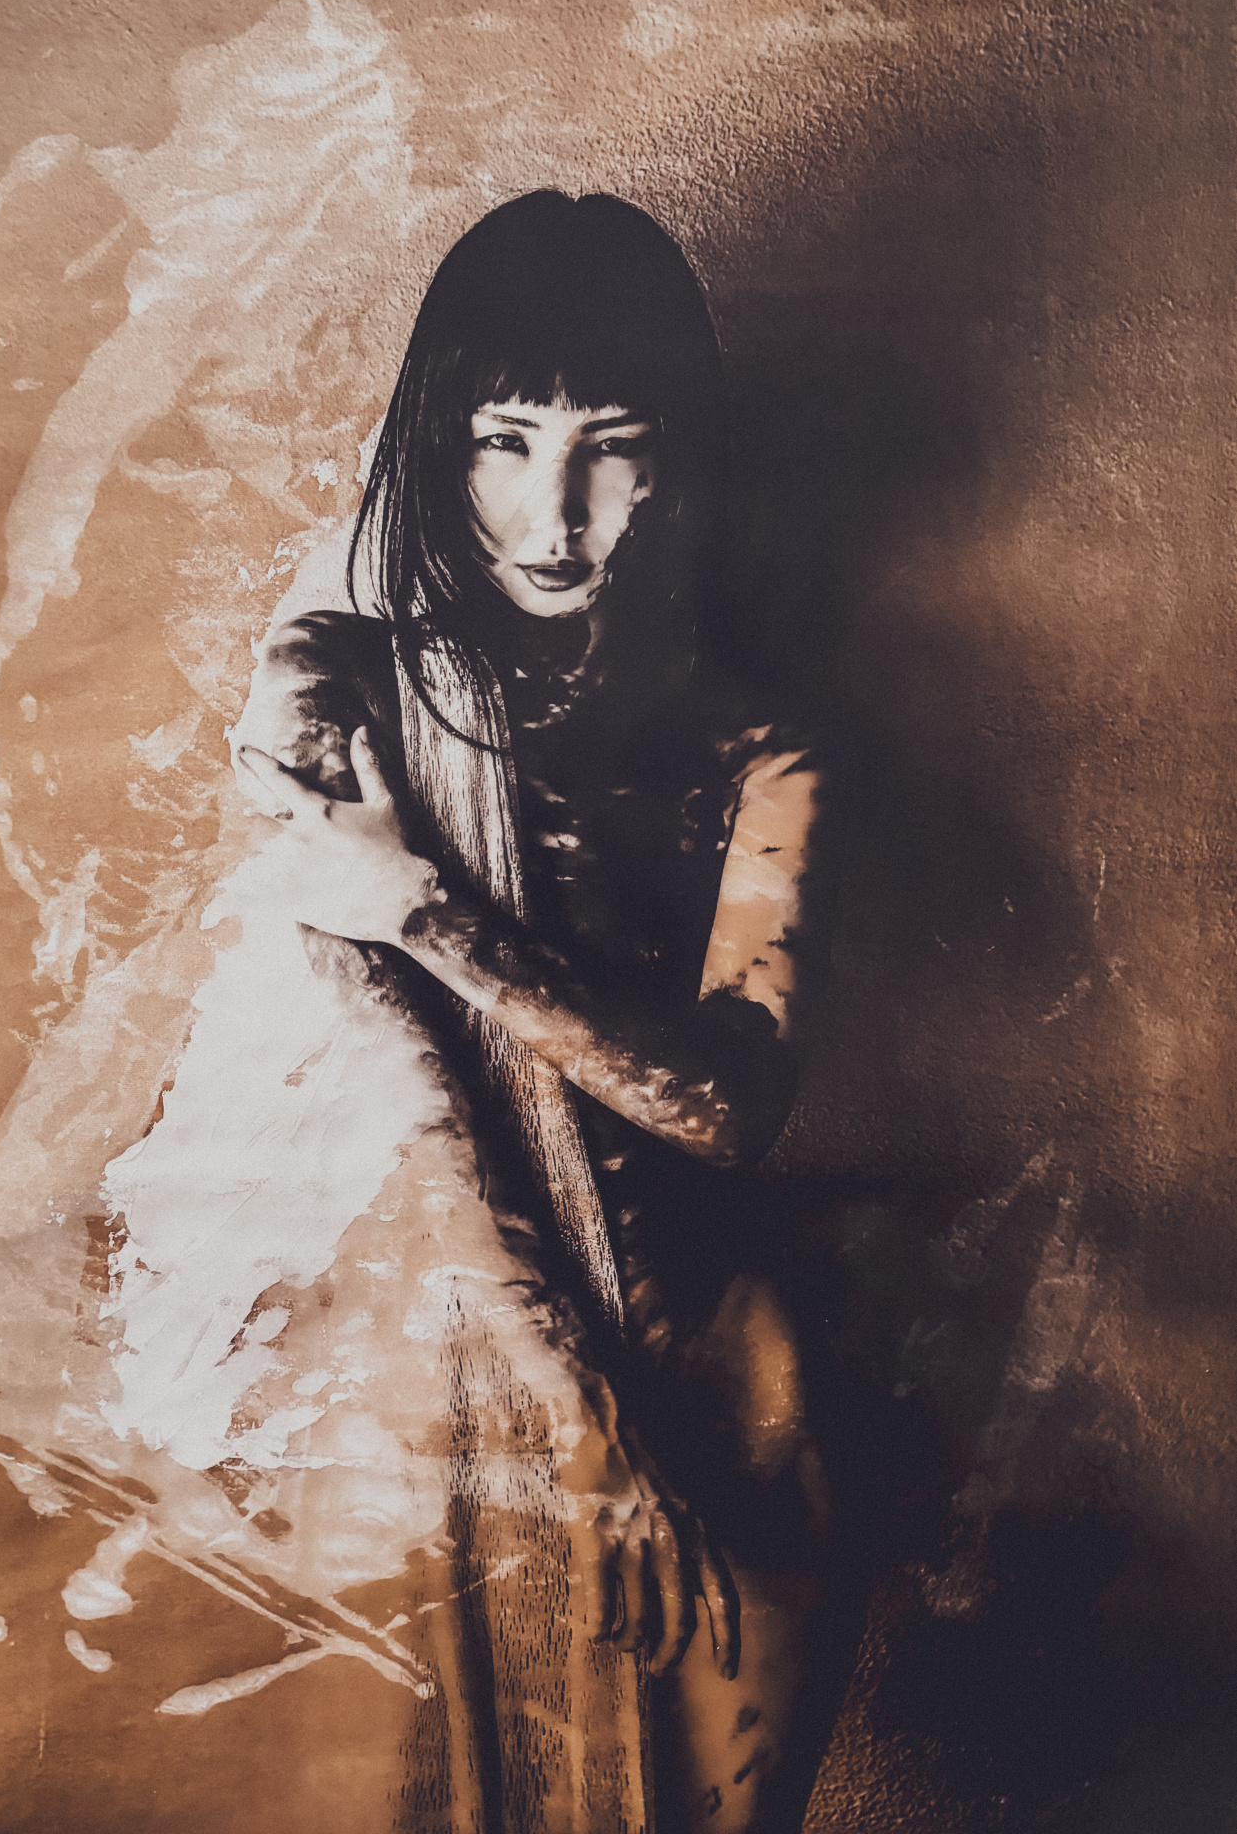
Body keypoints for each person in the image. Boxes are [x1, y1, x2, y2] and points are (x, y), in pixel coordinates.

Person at [235, 190, 832, 1833]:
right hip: (429, 1382)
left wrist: (425, 909)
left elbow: (730, 1106)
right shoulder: (335, 693)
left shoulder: (749, 743)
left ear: (674, 458)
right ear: (435, 447)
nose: (554, 513)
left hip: (717, 1376)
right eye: (503, 442)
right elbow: (399, 1094)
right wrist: (577, 1424)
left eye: (608, 448)